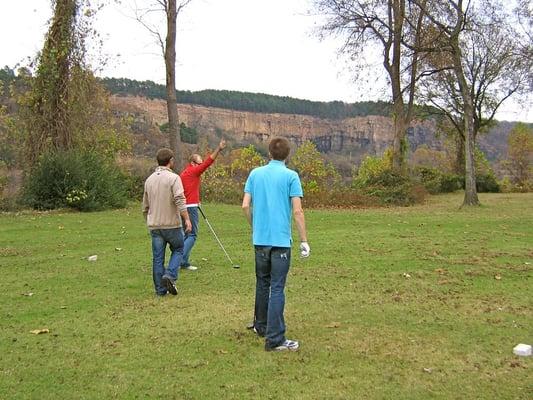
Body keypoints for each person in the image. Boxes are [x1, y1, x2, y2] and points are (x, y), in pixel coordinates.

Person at [242, 137, 310, 352]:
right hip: (280, 241)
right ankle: (275, 339)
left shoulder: (255, 173)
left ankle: (260, 326)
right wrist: (304, 240)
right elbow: (297, 211)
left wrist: (255, 226)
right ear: (287, 155)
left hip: (260, 240)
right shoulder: (291, 176)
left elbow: (245, 205)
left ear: (269, 153)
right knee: (277, 288)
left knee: (262, 283)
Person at [142, 148, 192, 296]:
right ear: (170, 161)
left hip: (155, 226)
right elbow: (179, 199)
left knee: (157, 258)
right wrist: (187, 219)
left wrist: (149, 220)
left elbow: (145, 206)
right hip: (171, 224)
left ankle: (160, 290)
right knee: (178, 249)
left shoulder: (149, 180)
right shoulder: (174, 178)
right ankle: (170, 275)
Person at [179, 139, 227, 271]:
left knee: (186, 234)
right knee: (192, 235)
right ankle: (179, 259)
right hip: (190, 207)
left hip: (183, 207)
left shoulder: (184, 173)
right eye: (198, 163)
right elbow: (208, 162)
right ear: (193, 163)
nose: (201, 166)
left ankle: (183, 262)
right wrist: (219, 148)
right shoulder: (194, 171)